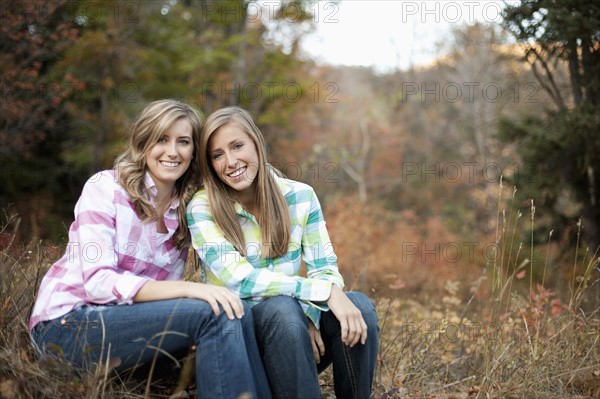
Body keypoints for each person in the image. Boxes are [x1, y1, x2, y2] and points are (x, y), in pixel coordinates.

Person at [29, 99, 270, 399]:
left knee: (236, 309)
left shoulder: (185, 211)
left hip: (125, 331)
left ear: (193, 151)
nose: (172, 151)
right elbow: (98, 283)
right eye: (161, 139)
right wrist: (189, 290)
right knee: (215, 312)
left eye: (183, 141)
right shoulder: (106, 188)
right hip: (68, 327)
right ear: (143, 144)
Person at [187, 106, 379, 398]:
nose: (230, 161)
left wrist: (312, 316)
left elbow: (325, 268)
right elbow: (240, 280)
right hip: (243, 345)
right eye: (217, 155)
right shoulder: (203, 208)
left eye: (237, 146)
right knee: (282, 309)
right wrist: (322, 293)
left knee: (359, 307)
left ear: (256, 143)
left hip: (296, 345)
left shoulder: (300, 197)